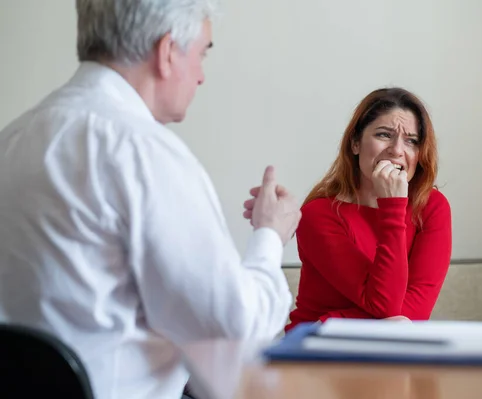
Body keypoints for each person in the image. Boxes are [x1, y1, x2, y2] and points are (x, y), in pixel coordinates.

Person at [0, 1, 301, 398]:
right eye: (202, 52)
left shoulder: (13, 140)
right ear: (167, 52)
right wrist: (269, 235)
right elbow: (232, 327)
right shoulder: (143, 154)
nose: (200, 76)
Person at [280, 87, 452, 332]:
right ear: (355, 143)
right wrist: (392, 207)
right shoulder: (318, 214)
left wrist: (333, 321)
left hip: (381, 344)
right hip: (317, 349)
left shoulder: (432, 207)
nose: (397, 150)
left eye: (411, 141)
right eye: (384, 135)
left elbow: (416, 309)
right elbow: (384, 306)